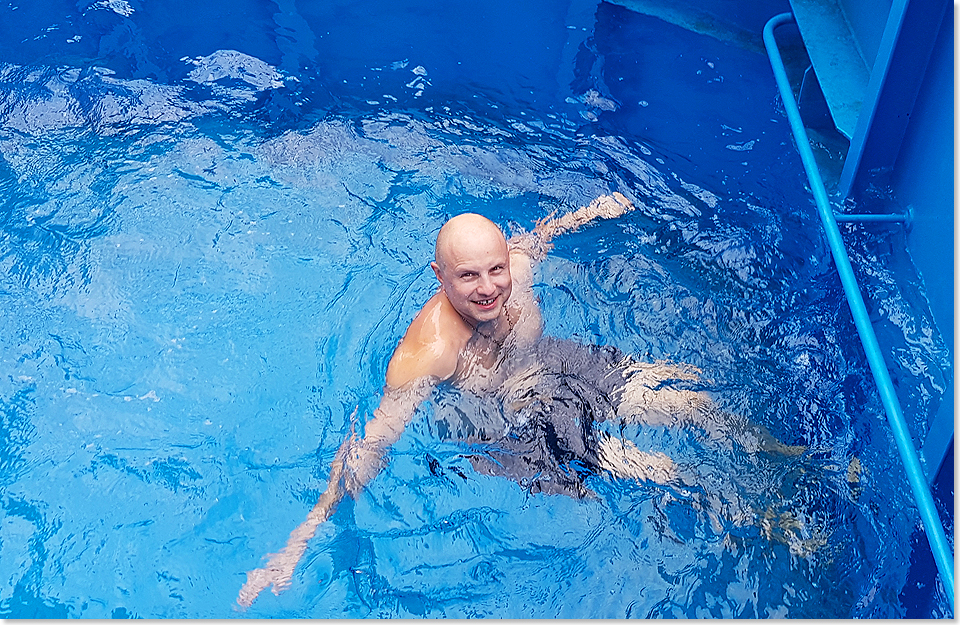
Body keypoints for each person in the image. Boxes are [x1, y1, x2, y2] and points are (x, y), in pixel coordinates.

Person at [236, 193, 800, 608]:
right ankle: (767, 520)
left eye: (495, 269)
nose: (487, 288)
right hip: (511, 422)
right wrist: (298, 541)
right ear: (439, 277)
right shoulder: (427, 352)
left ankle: (787, 455)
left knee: (688, 402)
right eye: (467, 276)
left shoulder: (517, 270)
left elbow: (539, 236)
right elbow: (369, 445)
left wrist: (591, 212)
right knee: (650, 466)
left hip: (550, 361)